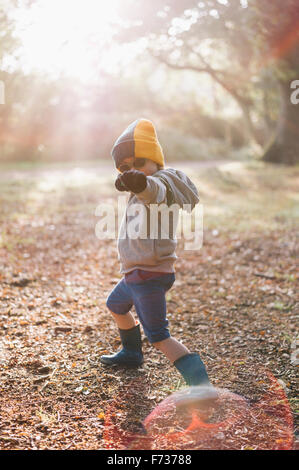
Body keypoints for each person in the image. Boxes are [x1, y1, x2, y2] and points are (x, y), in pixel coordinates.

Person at [100, 118, 217, 401]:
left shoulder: (160, 183)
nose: (133, 170)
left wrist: (140, 182)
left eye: (139, 162)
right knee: (115, 305)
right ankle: (130, 352)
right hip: (135, 273)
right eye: (125, 167)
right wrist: (133, 179)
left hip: (149, 275)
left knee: (159, 336)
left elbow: (154, 191)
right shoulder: (138, 188)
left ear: (154, 160)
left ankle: (201, 385)